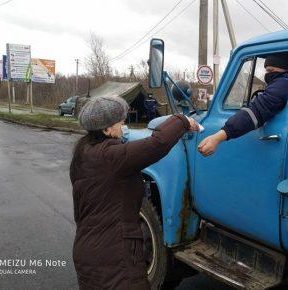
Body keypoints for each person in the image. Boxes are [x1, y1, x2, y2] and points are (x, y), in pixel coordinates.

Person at [70, 96, 199, 289]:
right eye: (121, 123)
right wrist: (181, 120)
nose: (124, 127)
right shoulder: (111, 157)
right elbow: (156, 144)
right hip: (113, 256)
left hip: (87, 249)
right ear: (106, 129)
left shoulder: (84, 154)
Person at [198, 52, 288, 156]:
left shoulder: (282, 84)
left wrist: (217, 137)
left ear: (284, 68)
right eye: (267, 71)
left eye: (271, 71)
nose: (268, 74)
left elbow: (256, 111)